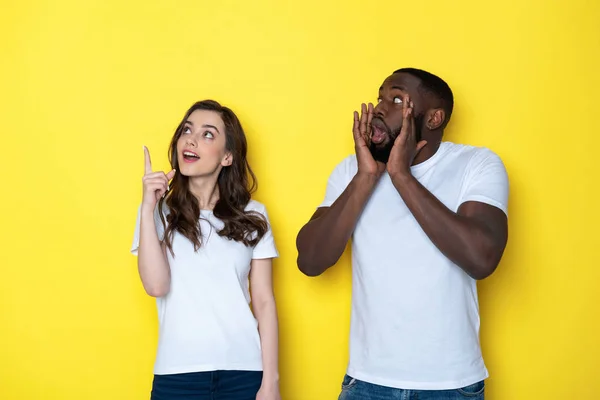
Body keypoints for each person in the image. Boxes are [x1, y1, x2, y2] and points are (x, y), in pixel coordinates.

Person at [296, 68, 509, 399]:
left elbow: (481, 258)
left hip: (451, 386)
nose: (380, 107)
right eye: (380, 97)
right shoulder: (352, 170)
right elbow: (310, 260)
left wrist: (401, 175)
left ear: (435, 118)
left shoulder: (476, 164)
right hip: (366, 384)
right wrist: (367, 177)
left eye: (396, 99)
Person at [130, 100, 281, 400]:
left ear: (227, 156)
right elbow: (156, 285)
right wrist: (148, 207)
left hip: (244, 373)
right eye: (187, 129)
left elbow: (264, 301)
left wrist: (271, 382)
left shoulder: (254, 215)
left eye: (208, 134)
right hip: (177, 375)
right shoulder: (158, 212)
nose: (191, 138)